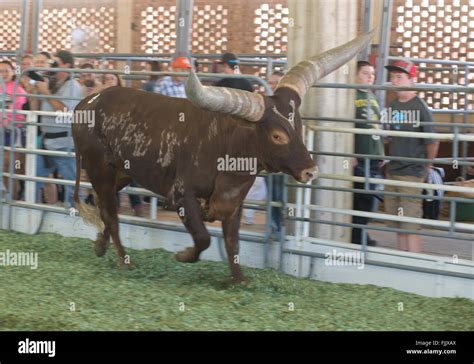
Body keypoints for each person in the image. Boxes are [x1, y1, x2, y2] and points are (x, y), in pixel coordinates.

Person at [383, 60, 439, 253]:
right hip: (394, 170)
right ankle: (402, 259)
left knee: (410, 223)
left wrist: (427, 167)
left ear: (411, 80)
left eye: (399, 77)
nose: (394, 81)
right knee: (398, 222)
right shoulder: (393, 105)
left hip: (412, 171)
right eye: (392, 77)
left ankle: (413, 261)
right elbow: (389, 135)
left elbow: (432, 141)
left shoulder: (420, 107)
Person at [28, 50, 83, 208]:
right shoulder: (51, 82)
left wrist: (45, 92)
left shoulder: (73, 85)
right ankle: (29, 212)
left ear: (67, 65)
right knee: (33, 179)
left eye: (56, 63)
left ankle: (76, 219)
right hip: (46, 142)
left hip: (65, 143)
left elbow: (65, 112)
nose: (53, 66)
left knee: (72, 187)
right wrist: (34, 93)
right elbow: (35, 110)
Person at [351, 61, 384, 247]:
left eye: (372, 73)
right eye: (365, 73)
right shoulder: (351, 96)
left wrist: (381, 152)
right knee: (362, 197)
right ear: (355, 75)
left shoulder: (371, 96)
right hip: (360, 155)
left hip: (373, 155)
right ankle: (357, 235)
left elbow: (376, 125)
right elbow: (346, 125)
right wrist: (351, 154)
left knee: (371, 196)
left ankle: (360, 232)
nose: (370, 76)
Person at [0, 60, 27, 199]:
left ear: (12, 72)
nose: (3, 74)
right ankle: (7, 198)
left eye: (6, 71)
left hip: (13, 132)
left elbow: (15, 110)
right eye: (1, 71)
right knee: (3, 169)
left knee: (13, 167)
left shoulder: (18, 88)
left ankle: (14, 200)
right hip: (1, 131)